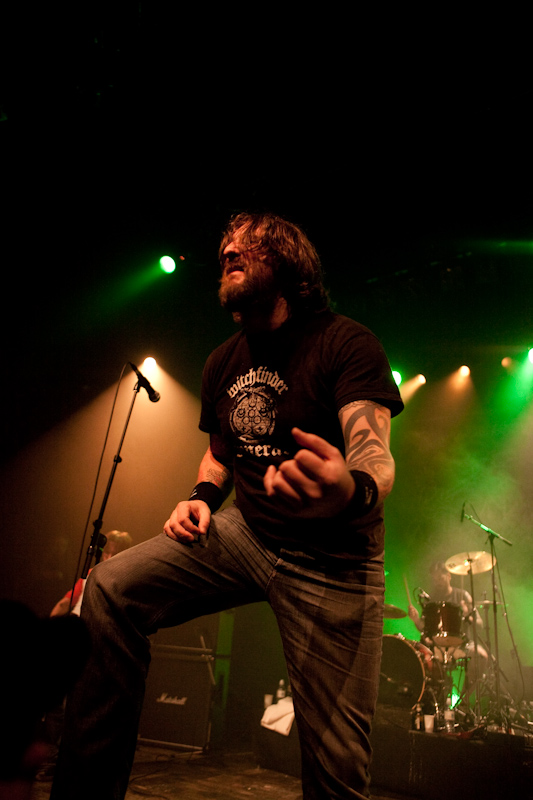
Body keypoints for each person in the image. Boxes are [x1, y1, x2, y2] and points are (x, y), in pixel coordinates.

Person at [51, 212, 403, 800]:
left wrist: (350, 488)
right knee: (109, 589)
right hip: (249, 534)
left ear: (289, 263)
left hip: (334, 560)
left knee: (338, 769)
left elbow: (375, 454)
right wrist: (199, 498)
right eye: (225, 248)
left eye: (249, 245)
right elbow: (219, 455)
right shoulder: (223, 360)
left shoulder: (346, 342)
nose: (229, 252)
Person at [50, 530, 133, 617]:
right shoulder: (90, 573)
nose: (110, 557)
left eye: (115, 553)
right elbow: (65, 603)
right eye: (107, 552)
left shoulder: (127, 579)